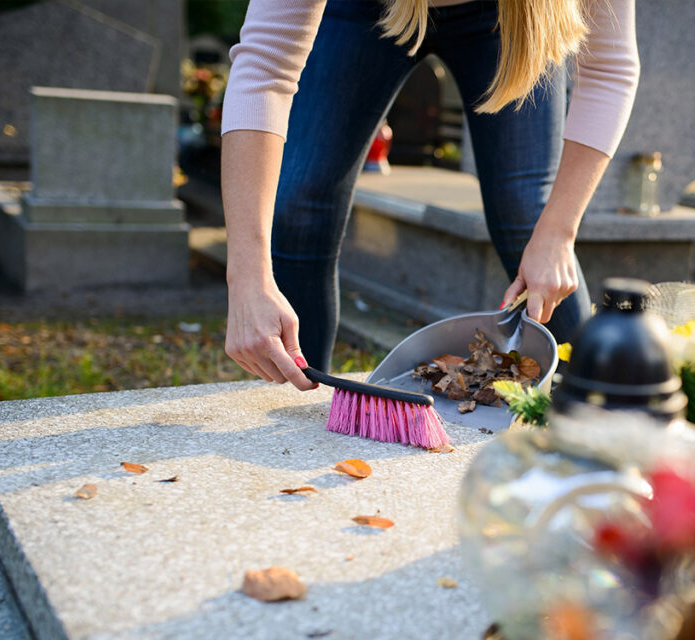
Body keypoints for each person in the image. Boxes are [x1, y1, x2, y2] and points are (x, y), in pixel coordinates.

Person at [221, 0, 640, 391]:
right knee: (298, 202)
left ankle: (595, 399)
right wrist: (247, 278)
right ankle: (293, 407)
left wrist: (558, 233)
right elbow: (265, 68)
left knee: (528, 213)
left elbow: (609, 69)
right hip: (360, 9)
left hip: (511, 15)